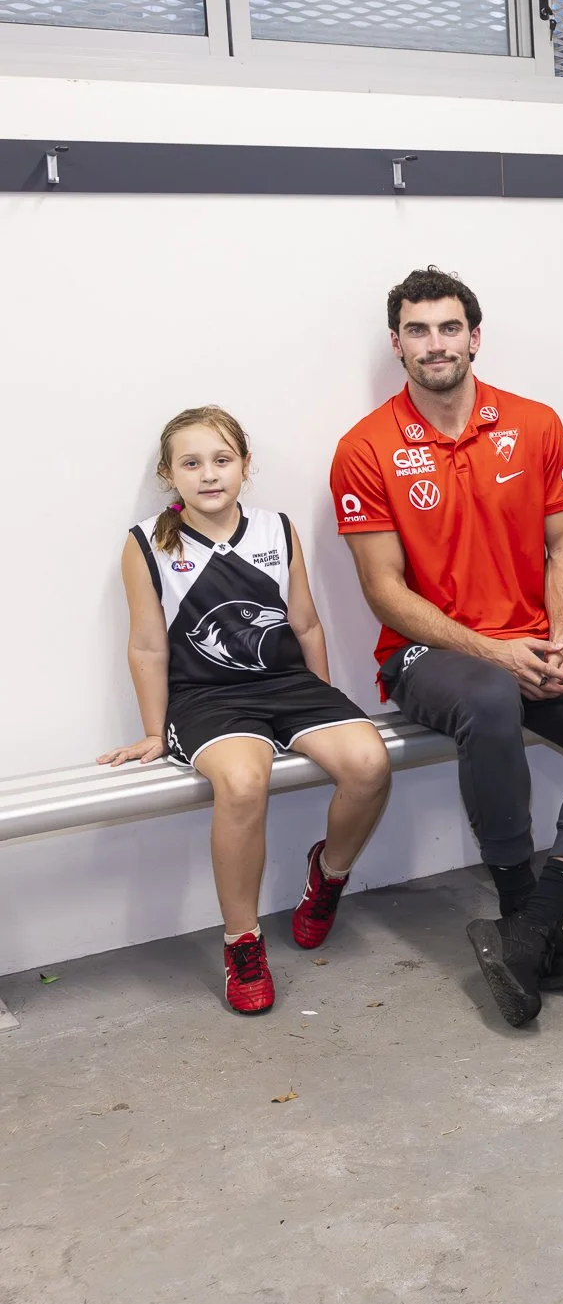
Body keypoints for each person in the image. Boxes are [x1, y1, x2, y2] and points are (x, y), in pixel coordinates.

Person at [331, 267, 563, 1028]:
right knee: (487, 696)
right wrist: (493, 653)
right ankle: (518, 901)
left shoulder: (536, 423)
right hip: (428, 655)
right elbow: (384, 591)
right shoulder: (365, 447)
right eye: (418, 330)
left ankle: (535, 922)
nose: (435, 343)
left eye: (449, 328)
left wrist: (557, 637)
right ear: (397, 343)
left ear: (475, 338)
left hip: (537, 639)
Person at [101, 407, 390, 1014]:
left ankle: (328, 874)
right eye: (191, 463)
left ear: (245, 467)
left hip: (288, 685)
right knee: (241, 781)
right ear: (168, 474)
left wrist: (326, 703)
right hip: (205, 697)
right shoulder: (146, 543)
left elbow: (305, 623)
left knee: (368, 763)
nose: (209, 474)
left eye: (222, 460)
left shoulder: (276, 529)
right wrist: (154, 730)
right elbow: (148, 645)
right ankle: (243, 940)